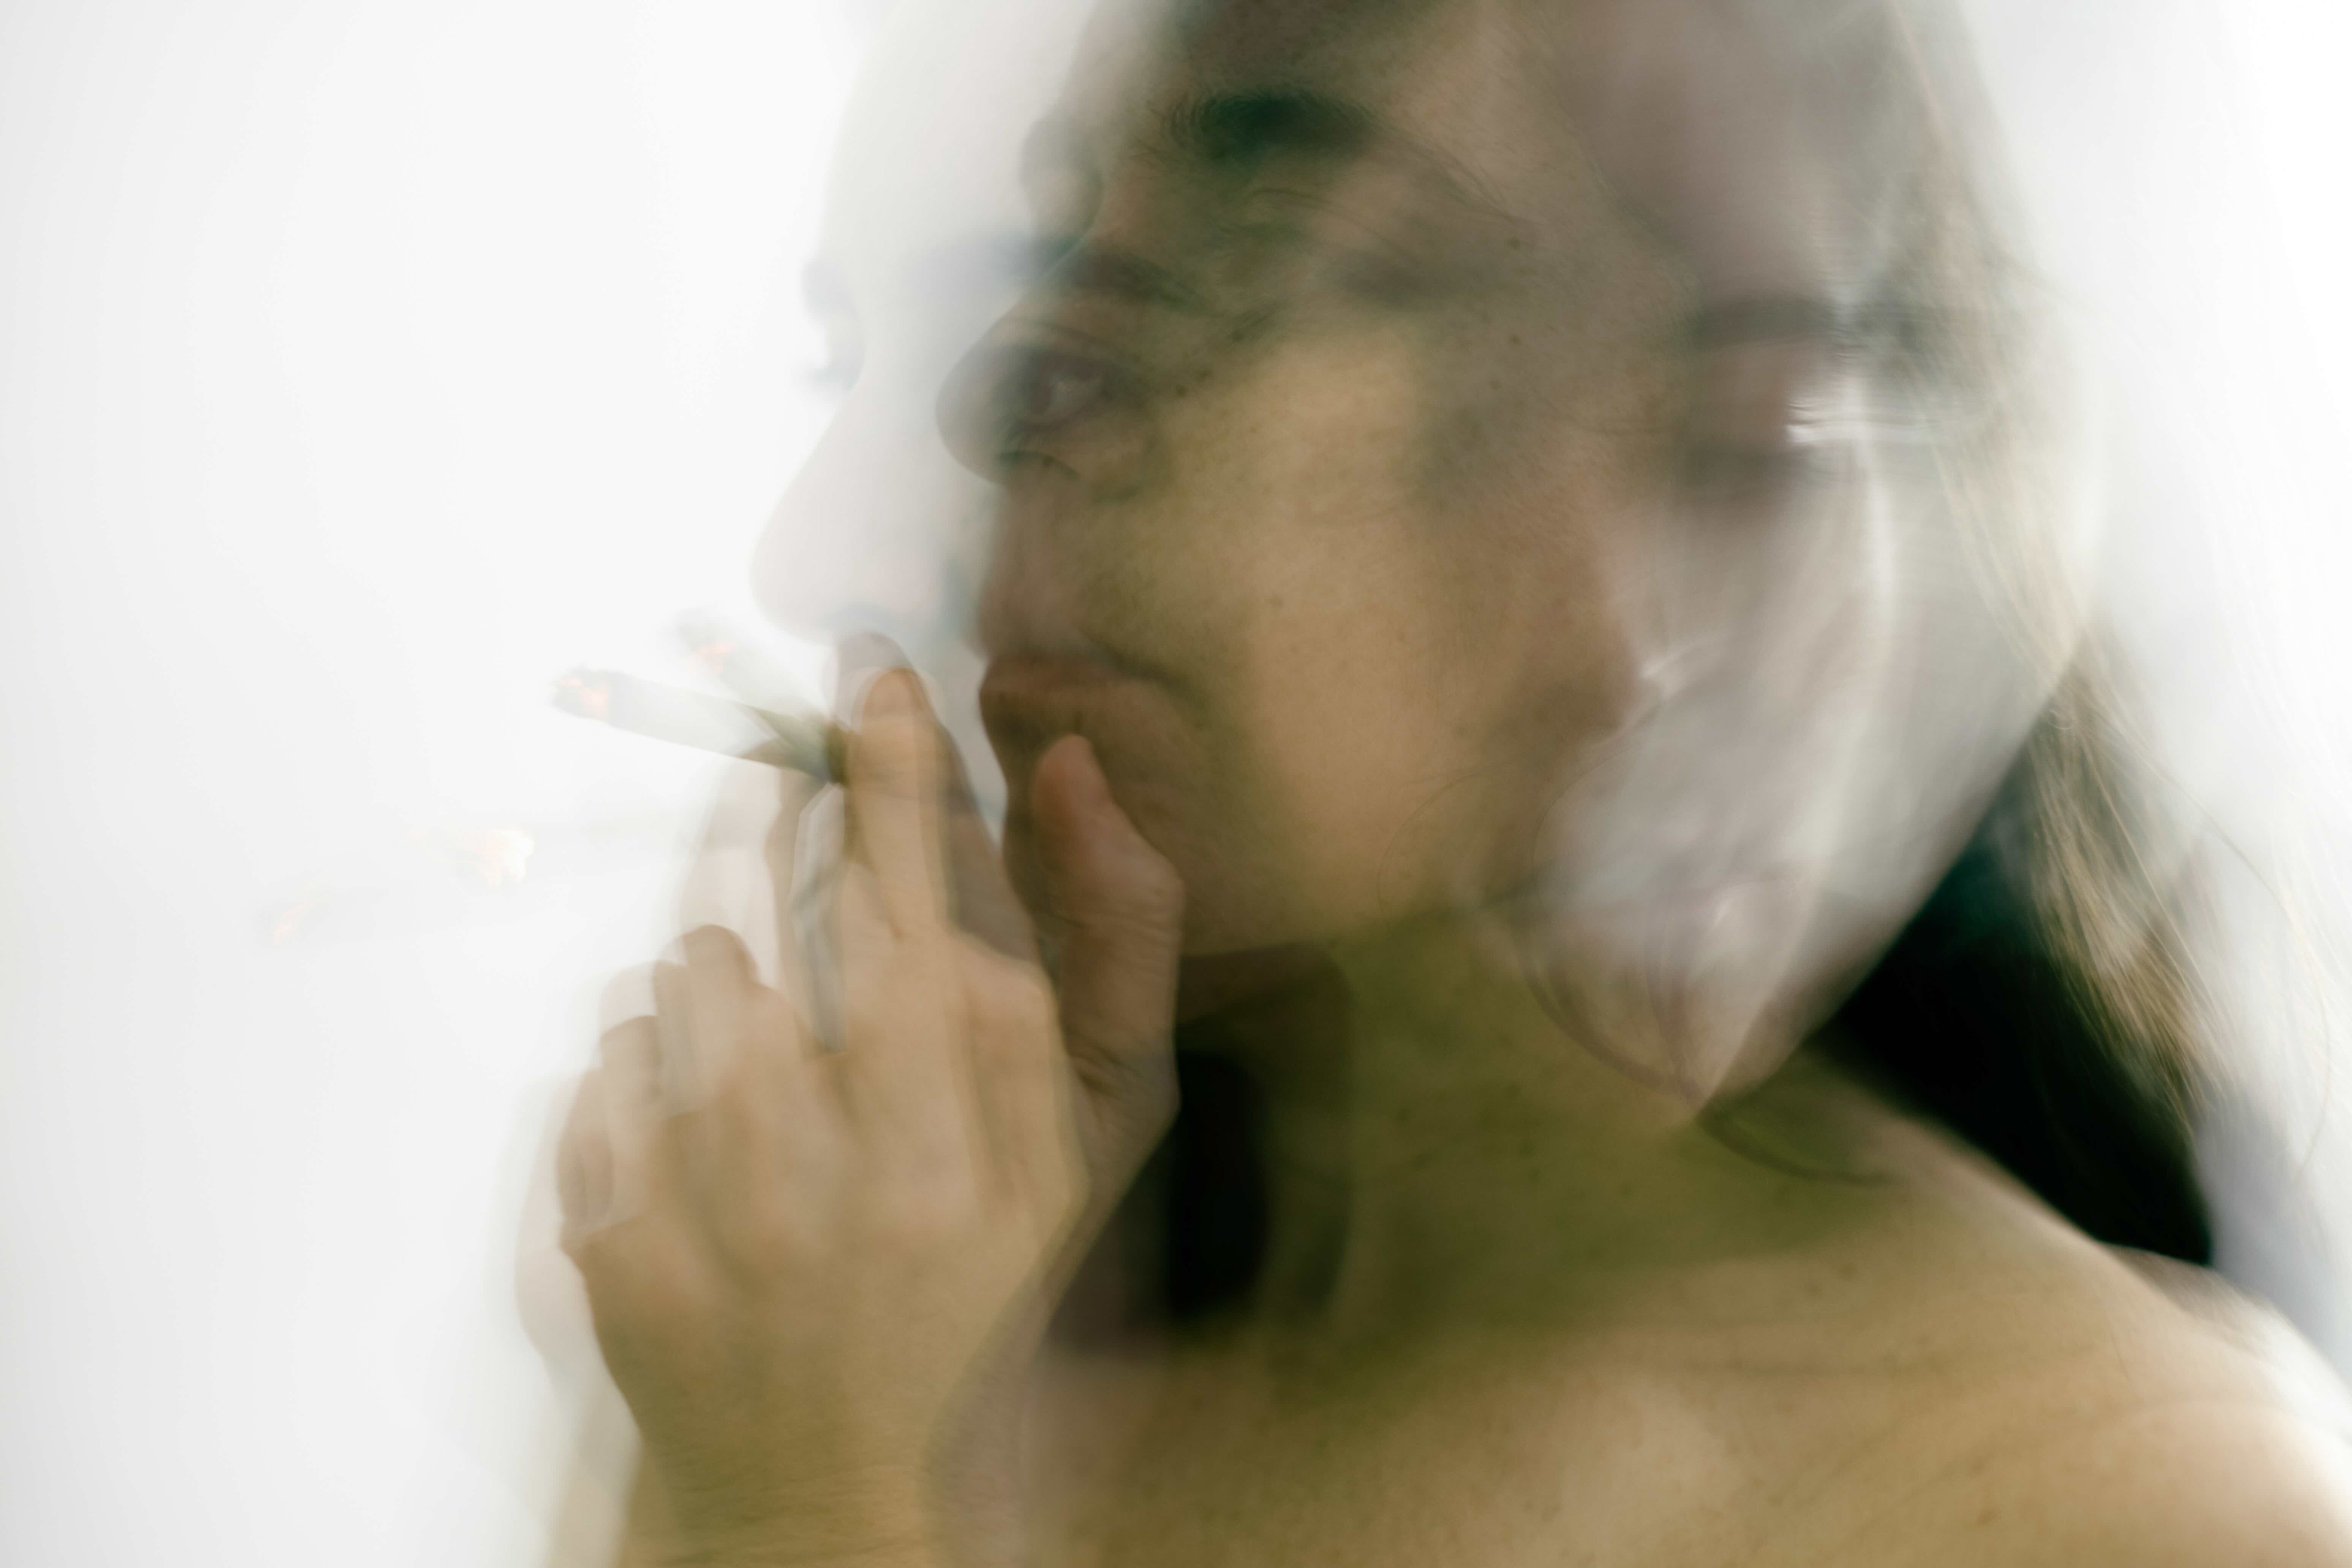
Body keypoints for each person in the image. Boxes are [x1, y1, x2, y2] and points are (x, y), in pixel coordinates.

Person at [551, 0, 2352, 1562]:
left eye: (1085, 357)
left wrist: (796, 1506)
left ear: (1733, 460)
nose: (822, 561)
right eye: (848, 366)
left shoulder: (2134, 1507)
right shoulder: (872, 1295)